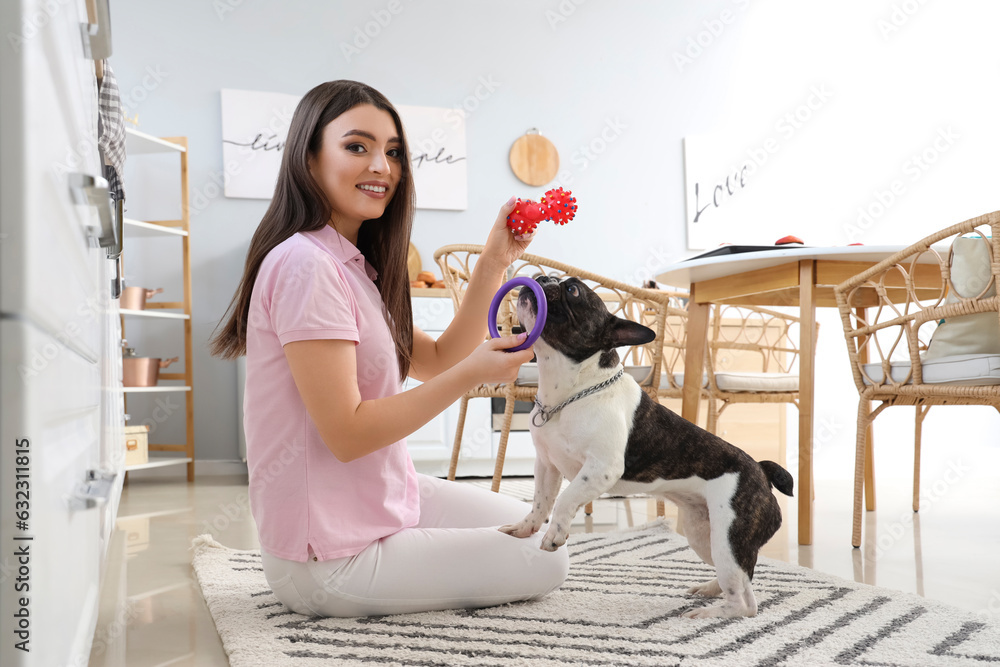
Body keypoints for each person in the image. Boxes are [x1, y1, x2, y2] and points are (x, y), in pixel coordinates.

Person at [211, 80, 569, 617]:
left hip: (377, 498)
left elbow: (439, 359)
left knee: (541, 525)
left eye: (394, 152)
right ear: (308, 158)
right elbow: (349, 434)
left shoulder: (355, 266)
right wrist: (474, 374)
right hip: (328, 559)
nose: (383, 166)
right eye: (358, 146)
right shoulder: (307, 265)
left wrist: (496, 258)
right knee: (548, 558)